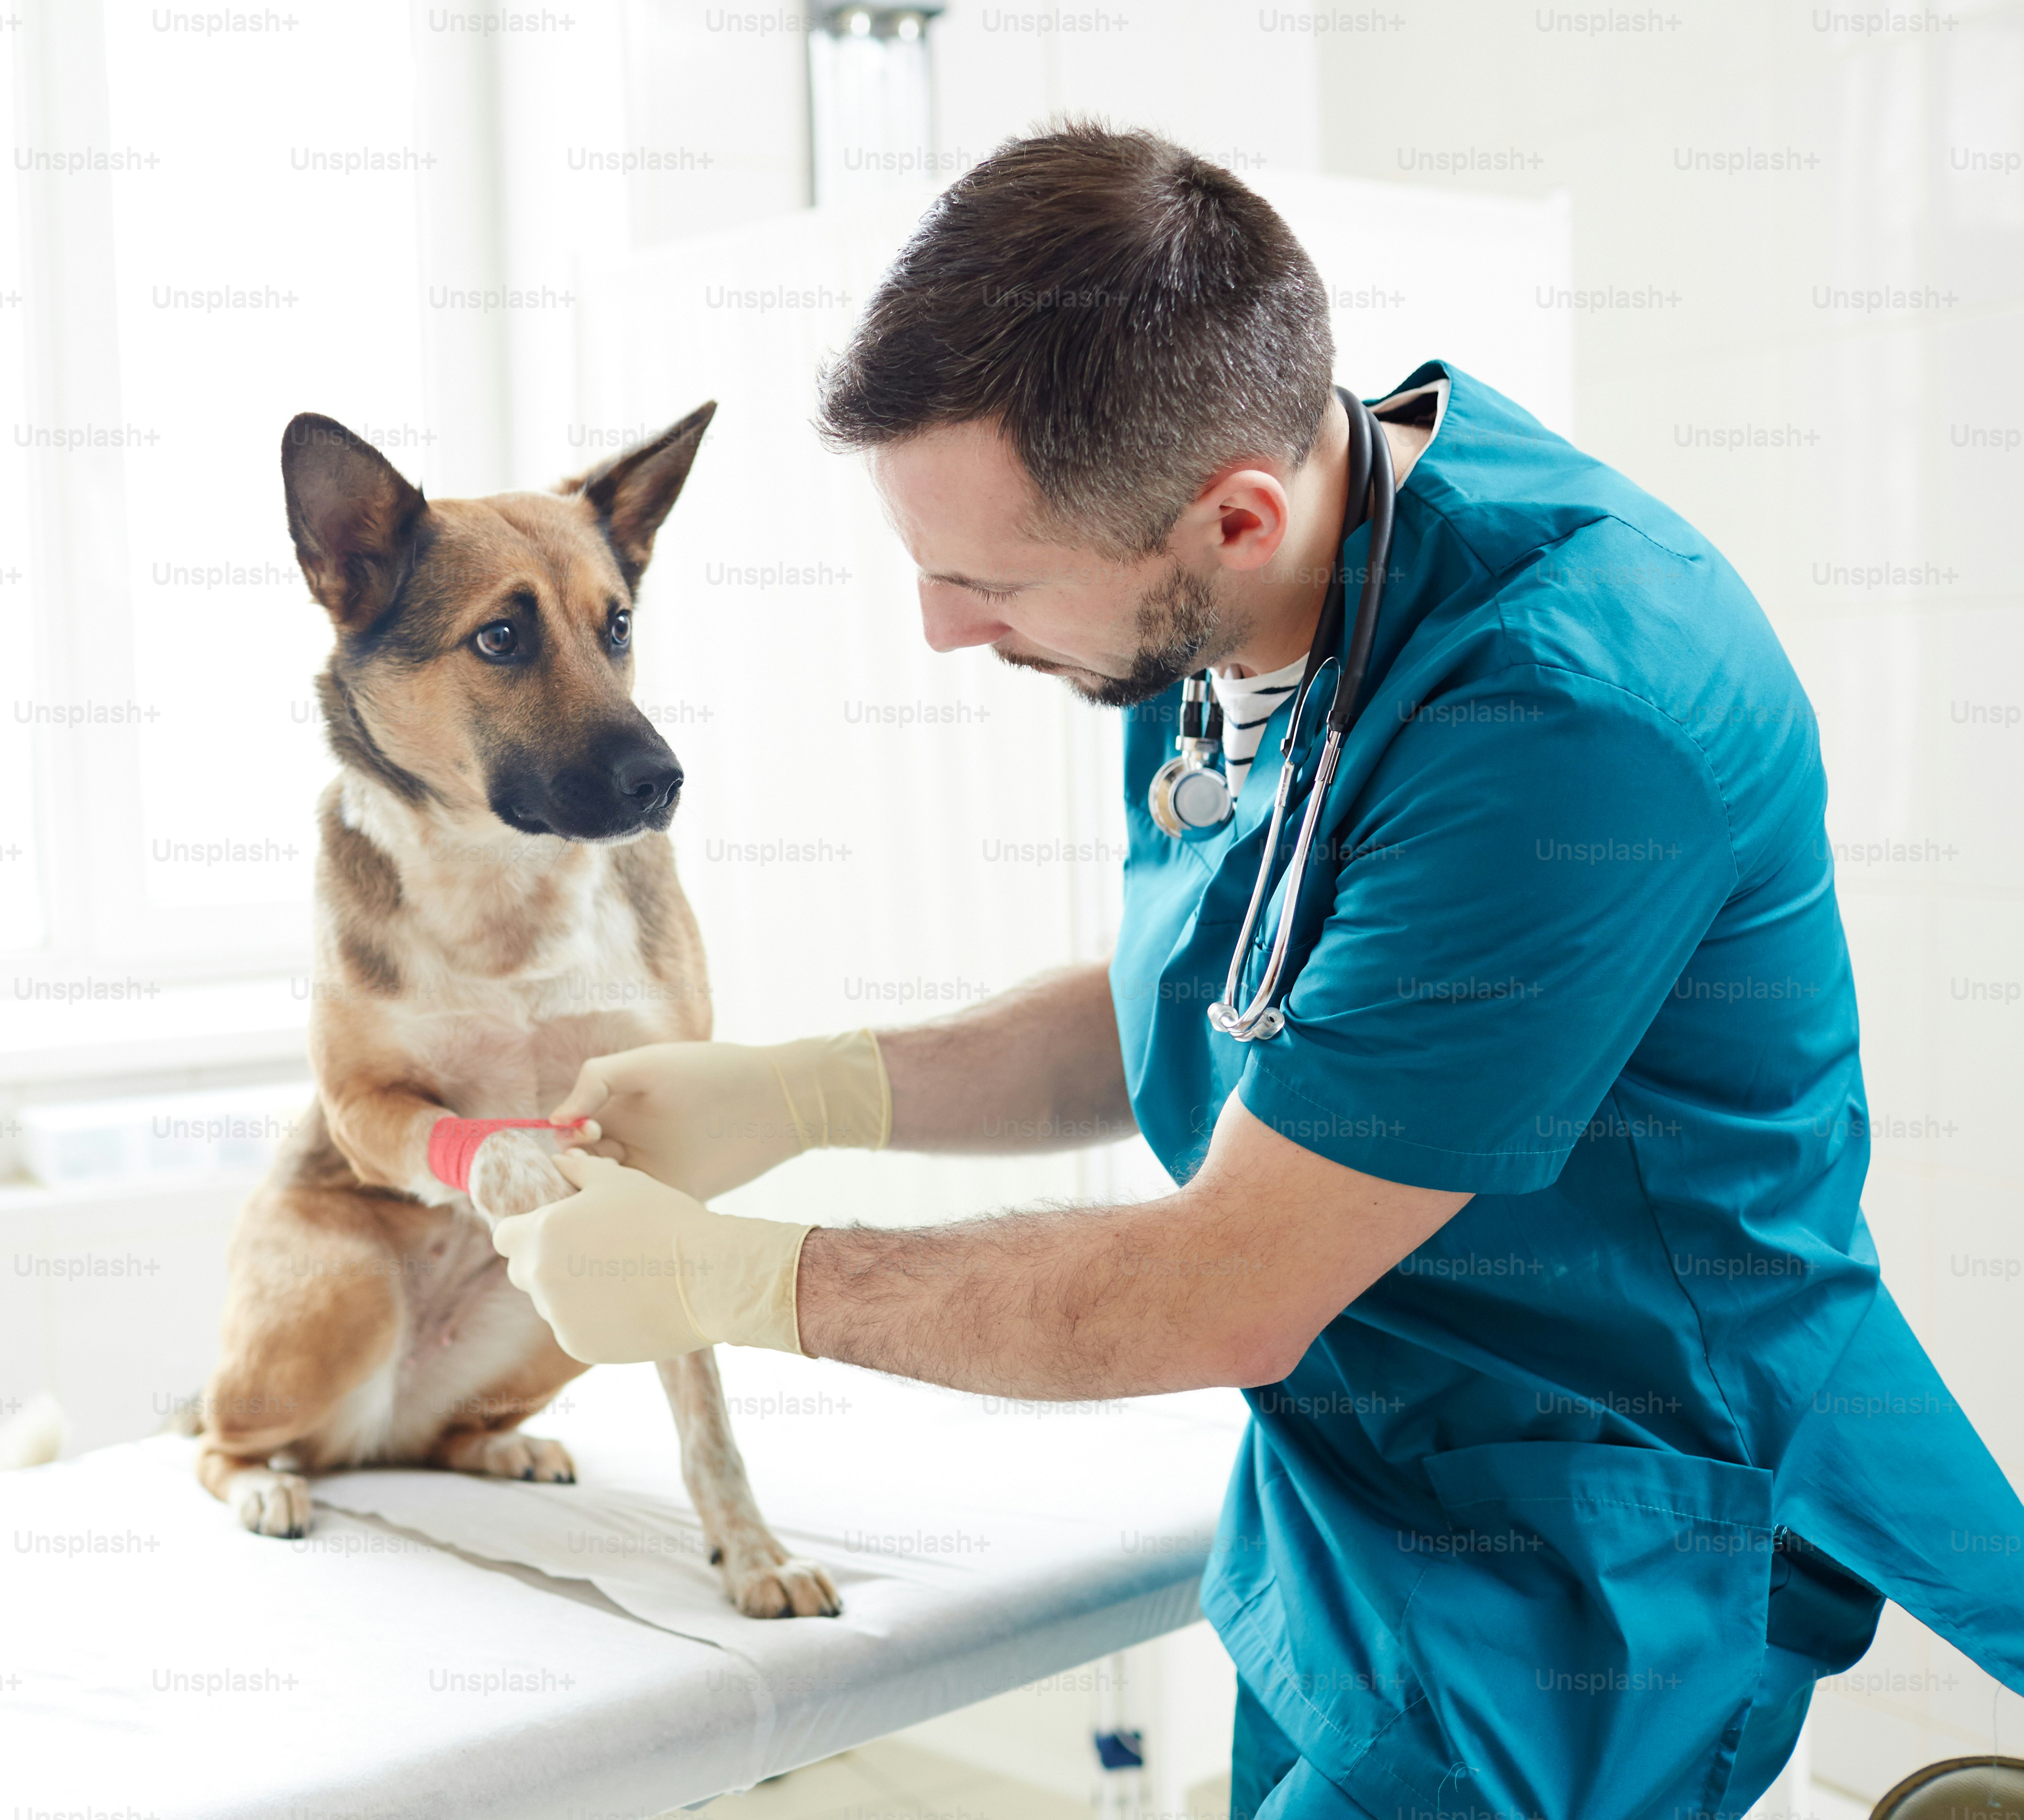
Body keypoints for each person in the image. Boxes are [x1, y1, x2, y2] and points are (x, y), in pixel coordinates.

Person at [488, 123, 2024, 1818]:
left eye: (982, 582)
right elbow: (1244, 993)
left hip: (1594, 1534)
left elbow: (1227, 1281)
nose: (940, 627)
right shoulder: (1215, 596)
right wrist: (812, 1090)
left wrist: (741, 1283)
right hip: (1360, 1481)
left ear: (1234, 517)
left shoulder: (1569, 716)